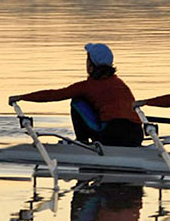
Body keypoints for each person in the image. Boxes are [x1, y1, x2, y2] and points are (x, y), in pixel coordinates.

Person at [8, 43, 144, 147]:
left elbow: (55, 95)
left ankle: (82, 142)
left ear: (91, 66)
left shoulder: (87, 86)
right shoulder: (120, 84)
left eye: (87, 60)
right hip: (136, 135)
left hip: (111, 135)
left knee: (77, 101)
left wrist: (22, 97)